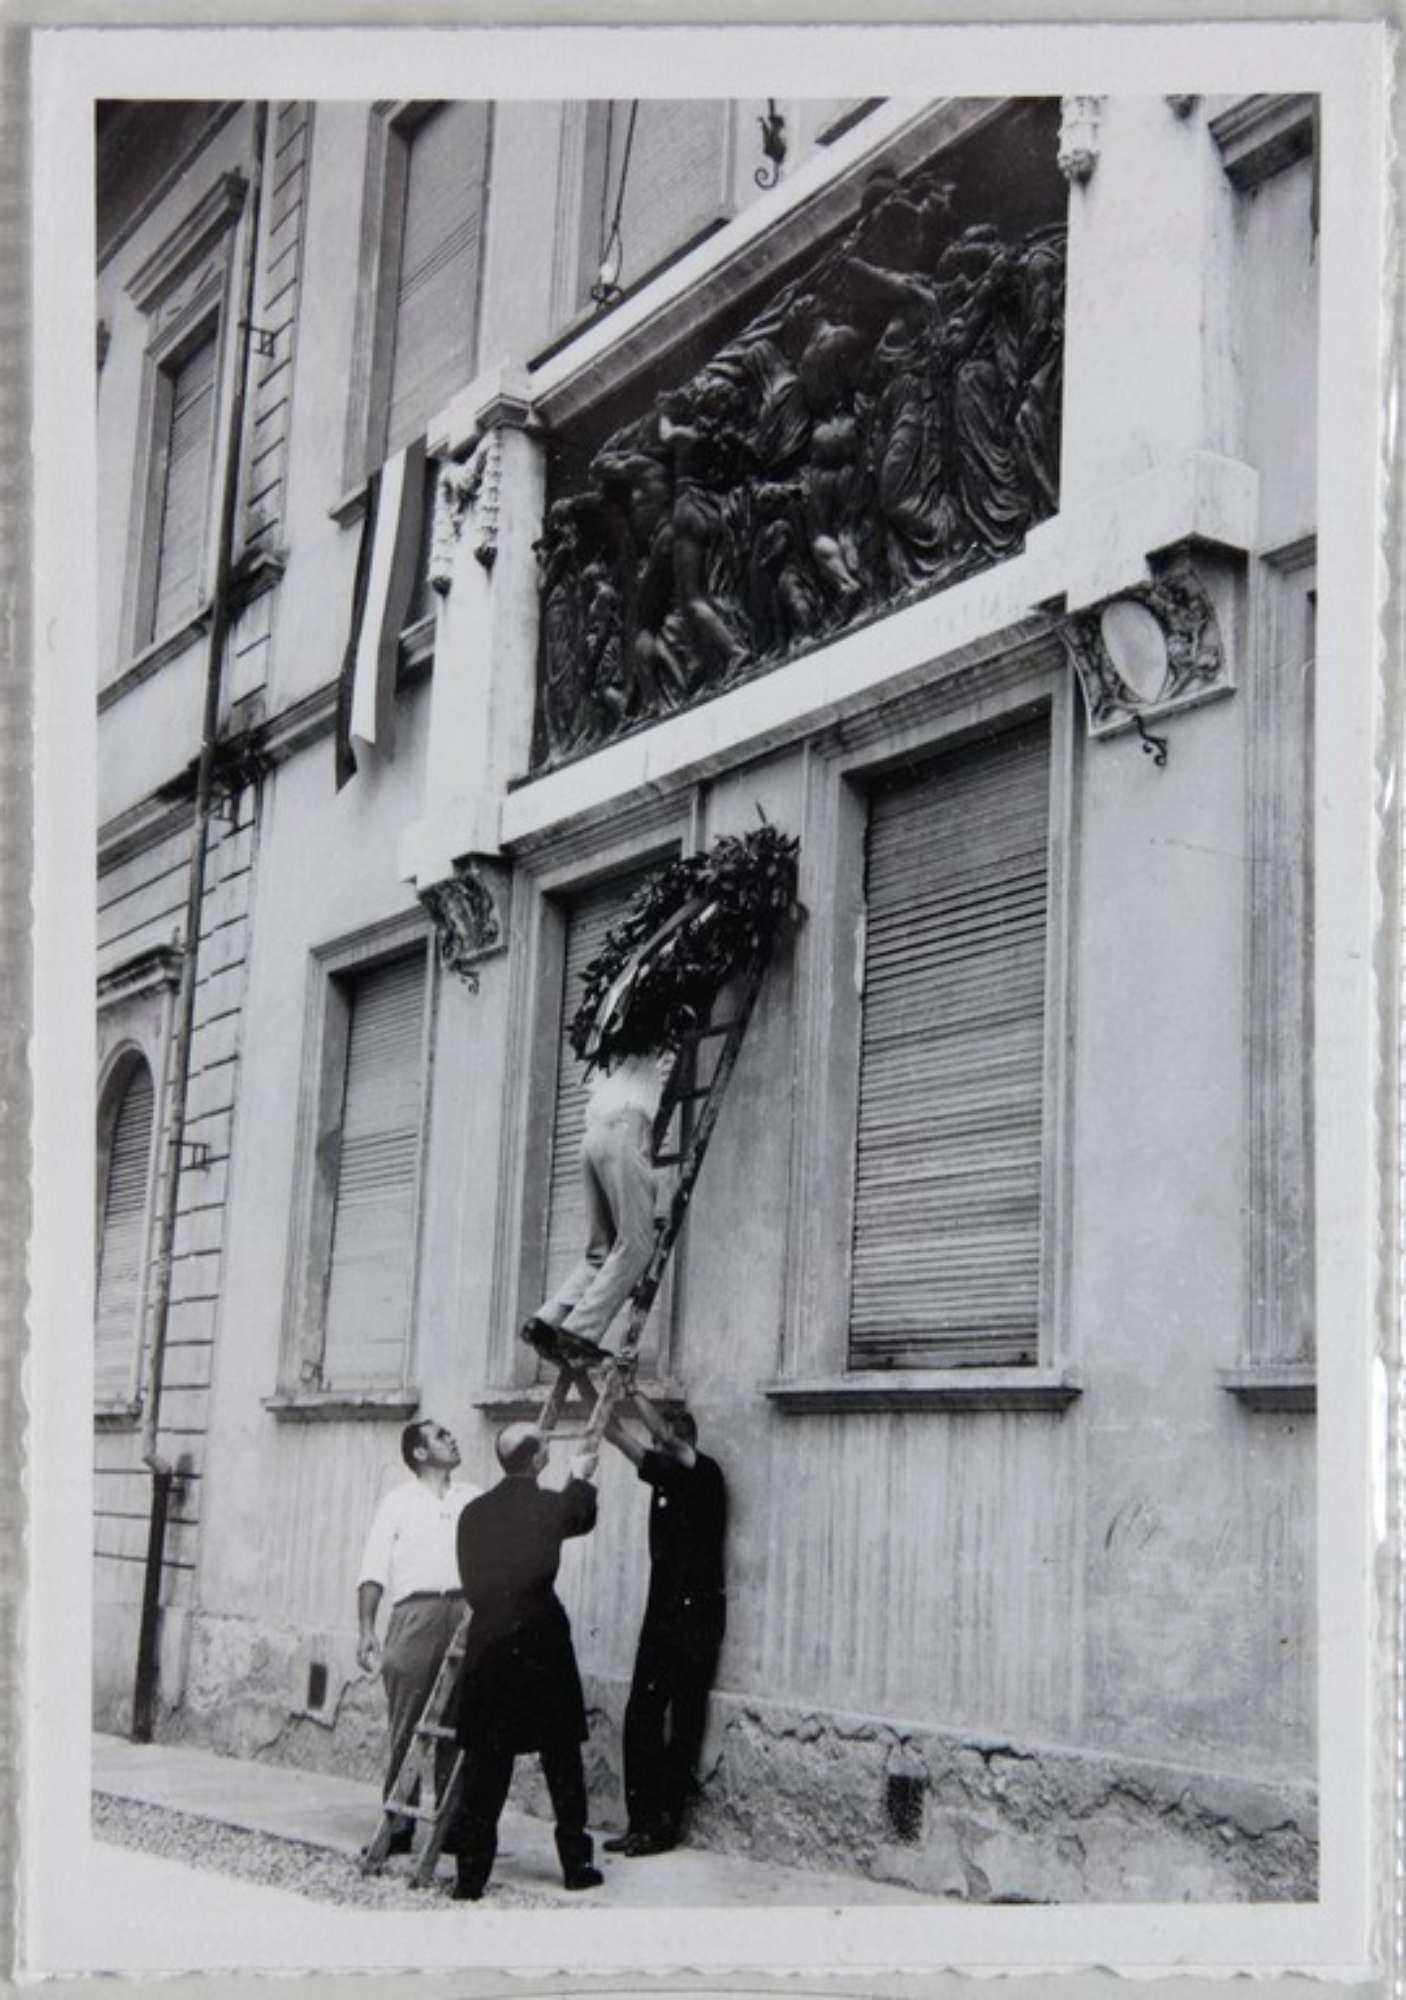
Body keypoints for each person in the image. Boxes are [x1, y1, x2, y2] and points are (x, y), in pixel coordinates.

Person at [449, 1423, 604, 1900]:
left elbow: (471, 1582)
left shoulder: (472, 1513)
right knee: (562, 1761)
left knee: (485, 1768)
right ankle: (576, 1866)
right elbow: (579, 1515)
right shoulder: (547, 1506)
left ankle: (470, 1879)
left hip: (491, 1645)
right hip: (541, 1647)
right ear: (537, 1460)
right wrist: (581, 1476)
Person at [603, 1402, 727, 1856]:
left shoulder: (706, 1474)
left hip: (698, 1618)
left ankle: (665, 1828)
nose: (653, 1453)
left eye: (661, 1443)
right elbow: (618, 1438)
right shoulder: (664, 1482)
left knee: (684, 1721)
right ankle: (639, 1821)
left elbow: (661, 1442)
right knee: (641, 1714)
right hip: (662, 1613)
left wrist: (633, 1391)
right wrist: (586, 1381)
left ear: (682, 1441)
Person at [355, 1419, 480, 1854]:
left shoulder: (472, 1496)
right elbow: (373, 1567)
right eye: (443, 1435)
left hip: (466, 1612)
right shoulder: (398, 1502)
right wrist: (366, 1629)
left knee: (460, 1722)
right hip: (414, 1615)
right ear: (421, 1454)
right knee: (408, 1722)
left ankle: (453, 1824)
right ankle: (398, 1825)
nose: (453, 1437)